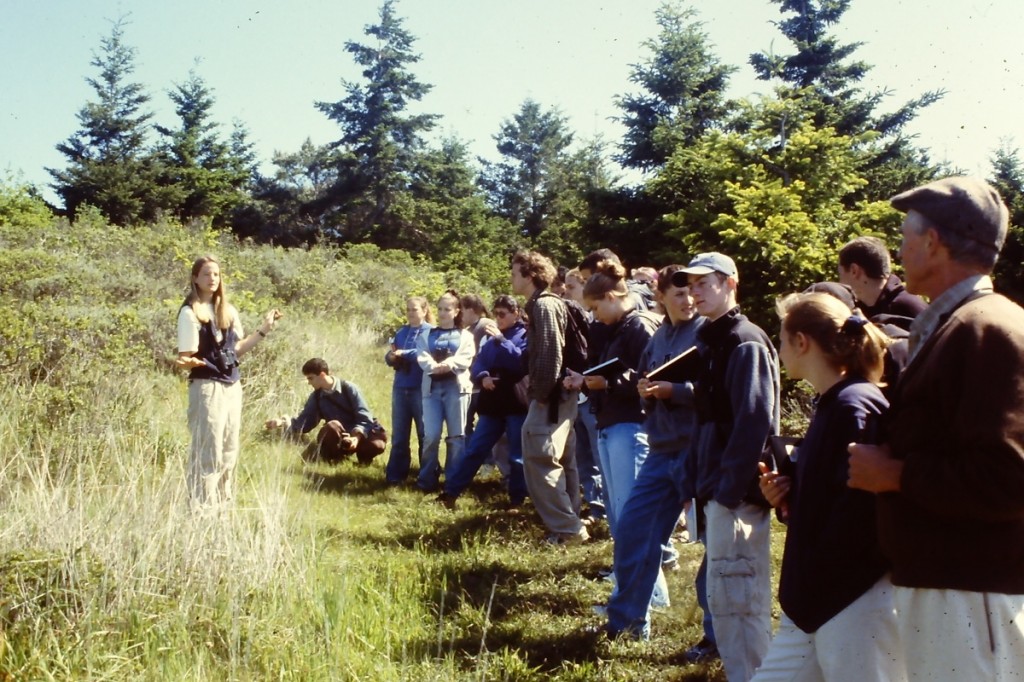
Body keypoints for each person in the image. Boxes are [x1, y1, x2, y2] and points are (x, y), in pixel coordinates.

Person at [848, 176, 1024, 680]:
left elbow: (1008, 480)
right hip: (948, 586)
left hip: (972, 593)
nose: (900, 250)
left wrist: (896, 474)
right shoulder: (957, 325)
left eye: (905, 237)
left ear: (933, 242)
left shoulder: (988, 329)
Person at [751, 293, 903, 681]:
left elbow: (862, 512)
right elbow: (832, 496)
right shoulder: (832, 403)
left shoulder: (855, 405)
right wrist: (789, 496)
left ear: (802, 342)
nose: (780, 349)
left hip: (854, 602)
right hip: (813, 602)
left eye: (782, 339)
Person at [683, 252, 780, 682]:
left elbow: (754, 422)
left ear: (730, 284)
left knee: (740, 601)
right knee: (725, 599)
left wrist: (729, 491)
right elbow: (706, 420)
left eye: (705, 282)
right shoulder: (713, 340)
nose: (694, 290)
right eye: (691, 283)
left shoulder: (746, 342)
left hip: (736, 496)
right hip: (715, 489)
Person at [599, 265, 707, 641]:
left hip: (701, 450)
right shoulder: (658, 337)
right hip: (661, 449)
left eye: (693, 292)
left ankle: (714, 637)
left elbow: (719, 396)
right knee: (633, 530)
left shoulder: (709, 334)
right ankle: (627, 625)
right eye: (679, 294)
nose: (689, 299)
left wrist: (675, 391)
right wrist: (644, 387)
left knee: (717, 548)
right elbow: (642, 377)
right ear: (660, 297)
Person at [564, 260, 660, 546]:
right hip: (610, 420)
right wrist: (587, 379)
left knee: (630, 504)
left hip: (631, 423)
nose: (594, 316)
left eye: (595, 309)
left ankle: (641, 575)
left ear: (610, 297)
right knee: (617, 502)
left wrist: (608, 383)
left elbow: (651, 377)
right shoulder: (611, 328)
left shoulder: (640, 326)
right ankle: (626, 569)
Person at [175, 255, 280, 508]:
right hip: (207, 387)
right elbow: (185, 356)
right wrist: (191, 363)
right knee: (208, 450)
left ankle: (223, 506)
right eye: (206, 274)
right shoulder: (190, 312)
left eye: (216, 274)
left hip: (232, 386)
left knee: (229, 449)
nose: (212, 279)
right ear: (195, 278)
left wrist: (264, 329)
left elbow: (237, 349)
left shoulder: (227, 311)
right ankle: (201, 510)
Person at [511, 250, 589, 545]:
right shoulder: (548, 303)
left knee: (539, 458)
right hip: (561, 396)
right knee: (563, 460)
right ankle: (570, 522)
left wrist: (541, 394)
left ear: (529, 275)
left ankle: (567, 529)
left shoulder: (543, 305)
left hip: (551, 397)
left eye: (514, 272)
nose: (511, 277)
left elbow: (548, 354)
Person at [437, 295, 529, 509]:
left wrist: (501, 340)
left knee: (517, 455)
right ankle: (450, 493)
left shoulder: (525, 334)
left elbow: (520, 362)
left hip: (515, 401)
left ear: (516, 313)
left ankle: (517, 500)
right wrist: (482, 376)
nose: (498, 318)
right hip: (492, 403)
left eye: (502, 314)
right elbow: (478, 363)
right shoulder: (491, 337)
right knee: (475, 449)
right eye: (495, 314)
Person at [264, 358, 385, 465]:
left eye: (311, 378)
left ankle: (364, 458)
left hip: (358, 434)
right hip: (339, 436)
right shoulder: (316, 397)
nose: (309, 382)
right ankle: (336, 458)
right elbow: (305, 422)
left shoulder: (349, 388)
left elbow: (365, 418)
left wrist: (356, 438)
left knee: (377, 445)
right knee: (332, 425)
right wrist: (281, 422)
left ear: (322, 375)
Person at [415, 291, 475, 492]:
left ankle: (453, 482)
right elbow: (421, 355)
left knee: (457, 436)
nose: (442, 313)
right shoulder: (427, 334)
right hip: (432, 390)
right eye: (440, 309)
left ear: (457, 311)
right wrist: (433, 366)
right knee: (431, 435)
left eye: (447, 309)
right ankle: (426, 479)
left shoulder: (465, 336)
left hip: (456, 389)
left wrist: (449, 363)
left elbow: (466, 357)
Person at [563, 267, 605, 522]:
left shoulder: (598, 321)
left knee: (601, 456)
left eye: (571, 287)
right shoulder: (569, 319)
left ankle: (612, 510)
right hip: (575, 397)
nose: (566, 292)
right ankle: (597, 508)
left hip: (593, 397)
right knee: (583, 458)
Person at [384, 296, 434, 484]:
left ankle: (427, 475)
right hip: (400, 387)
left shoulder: (431, 331)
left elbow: (424, 354)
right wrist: (391, 357)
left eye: (414, 309)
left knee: (424, 434)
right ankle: (395, 476)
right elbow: (389, 356)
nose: (411, 313)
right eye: (408, 310)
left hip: (421, 388)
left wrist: (404, 354)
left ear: (424, 310)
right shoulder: (402, 332)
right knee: (399, 435)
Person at [837, 236, 927, 325]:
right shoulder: (857, 309)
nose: (839, 281)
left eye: (840, 273)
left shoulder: (908, 307)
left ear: (854, 271)